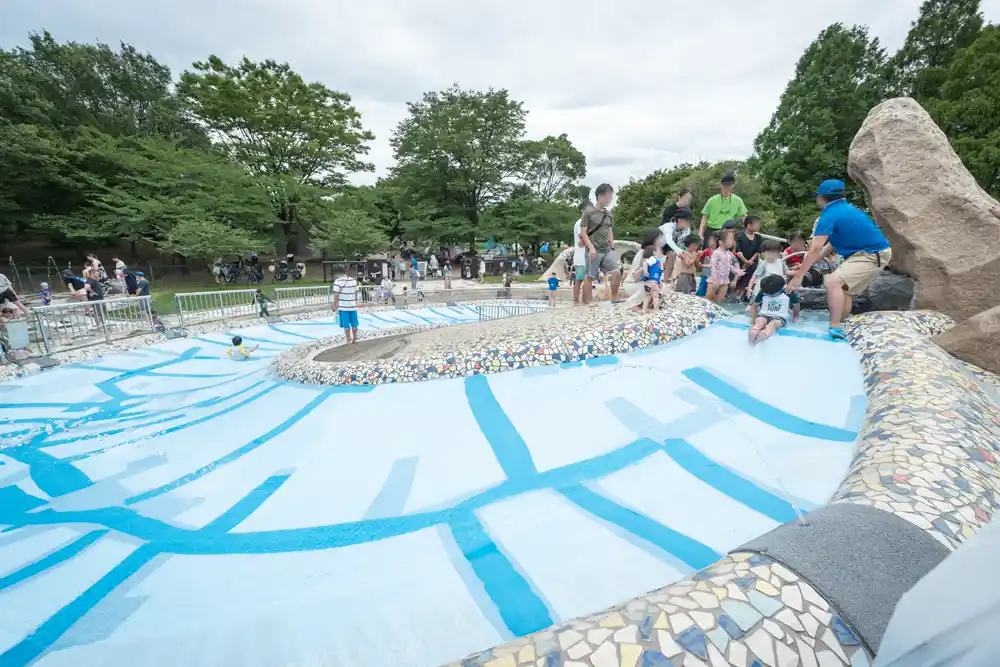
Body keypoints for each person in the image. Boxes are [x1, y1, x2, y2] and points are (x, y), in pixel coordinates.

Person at [787, 179, 891, 340]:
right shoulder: (847, 210)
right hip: (873, 253)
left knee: (831, 281)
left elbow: (814, 249)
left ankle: (835, 326)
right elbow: (828, 247)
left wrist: (799, 275)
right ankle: (840, 325)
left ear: (821, 197)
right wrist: (807, 265)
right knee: (844, 289)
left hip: (870, 254)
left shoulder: (828, 215)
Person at [579, 183, 619, 304]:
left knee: (616, 272)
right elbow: (583, 233)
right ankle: (588, 302)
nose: (610, 199)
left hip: (607, 249)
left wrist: (612, 246)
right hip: (593, 249)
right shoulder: (588, 212)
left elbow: (609, 231)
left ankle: (615, 298)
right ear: (601, 196)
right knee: (590, 276)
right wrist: (591, 247)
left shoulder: (609, 214)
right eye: (609, 196)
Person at [749, 274, 800, 345]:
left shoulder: (788, 292)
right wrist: (753, 319)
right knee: (760, 321)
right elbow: (755, 305)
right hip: (764, 315)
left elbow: (796, 305)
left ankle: (754, 341)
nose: (768, 294)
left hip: (780, 318)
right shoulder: (764, 291)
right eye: (766, 293)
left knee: (772, 324)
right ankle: (756, 338)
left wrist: (796, 316)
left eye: (771, 294)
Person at [699, 172, 748, 243]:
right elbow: (704, 218)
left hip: (728, 231)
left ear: (733, 185)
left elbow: (744, 217)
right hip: (712, 230)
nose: (727, 187)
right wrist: (700, 233)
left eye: (730, 185)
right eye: (725, 185)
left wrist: (749, 230)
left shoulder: (738, 200)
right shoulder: (712, 200)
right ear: (721, 185)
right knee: (709, 252)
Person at [706, 229, 744, 303]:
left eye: (733, 240)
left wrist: (737, 271)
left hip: (725, 281)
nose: (732, 242)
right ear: (720, 242)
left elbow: (729, 265)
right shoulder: (717, 253)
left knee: (720, 300)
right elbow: (713, 266)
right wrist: (715, 279)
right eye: (730, 239)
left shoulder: (729, 254)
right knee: (708, 299)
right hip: (715, 280)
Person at [658, 207, 694, 280]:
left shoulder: (686, 230)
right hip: (658, 245)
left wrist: (684, 252)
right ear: (679, 219)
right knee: (673, 253)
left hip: (671, 247)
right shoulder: (668, 226)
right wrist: (680, 251)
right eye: (687, 220)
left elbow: (684, 243)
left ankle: (667, 279)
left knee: (673, 254)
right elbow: (669, 241)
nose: (688, 223)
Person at [735, 215, 763, 297]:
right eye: (757, 224)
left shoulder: (758, 237)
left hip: (752, 264)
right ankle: (736, 294)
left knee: (752, 273)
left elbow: (758, 252)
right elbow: (738, 252)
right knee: (738, 278)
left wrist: (749, 262)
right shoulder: (739, 236)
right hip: (740, 262)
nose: (758, 227)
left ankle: (745, 294)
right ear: (749, 225)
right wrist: (745, 262)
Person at [332, 269, 360, 344]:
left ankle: (348, 339)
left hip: (343, 307)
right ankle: (355, 338)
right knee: (354, 323)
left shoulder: (337, 281)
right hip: (352, 306)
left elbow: (336, 295)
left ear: (337, 274)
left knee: (346, 324)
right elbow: (356, 292)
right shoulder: (354, 280)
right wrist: (355, 301)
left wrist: (334, 306)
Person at [571, 201, 588, 304]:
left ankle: (583, 300)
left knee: (585, 279)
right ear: (582, 210)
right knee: (580, 280)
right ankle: (577, 301)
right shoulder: (580, 223)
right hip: (581, 257)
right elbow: (582, 241)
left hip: (586, 257)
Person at [641, 243, 664, 313]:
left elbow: (646, 270)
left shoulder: (648, 261)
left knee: (647, 296)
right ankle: (656, 310)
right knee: (655, 296)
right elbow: (646, 264)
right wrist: (646, 272)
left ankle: (644, 309)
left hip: (647, 283)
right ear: (654, 252)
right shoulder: (654, 260)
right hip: (653, 282)